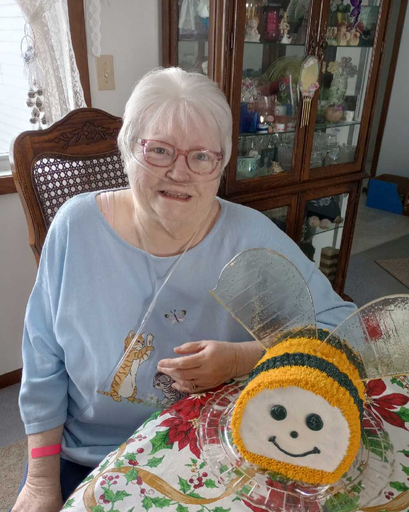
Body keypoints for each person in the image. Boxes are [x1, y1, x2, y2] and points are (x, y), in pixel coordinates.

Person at [12, 67, 356, 512]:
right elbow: (42, 359)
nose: (180, 172)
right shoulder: (75, 229)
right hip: (86, 455)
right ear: (127, 151)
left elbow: (342, 327)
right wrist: (41, 479)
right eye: (159, 151)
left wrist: (239, 358)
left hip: (210, 447)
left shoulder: (248, 236)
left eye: (201, 157)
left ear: (221, 164)